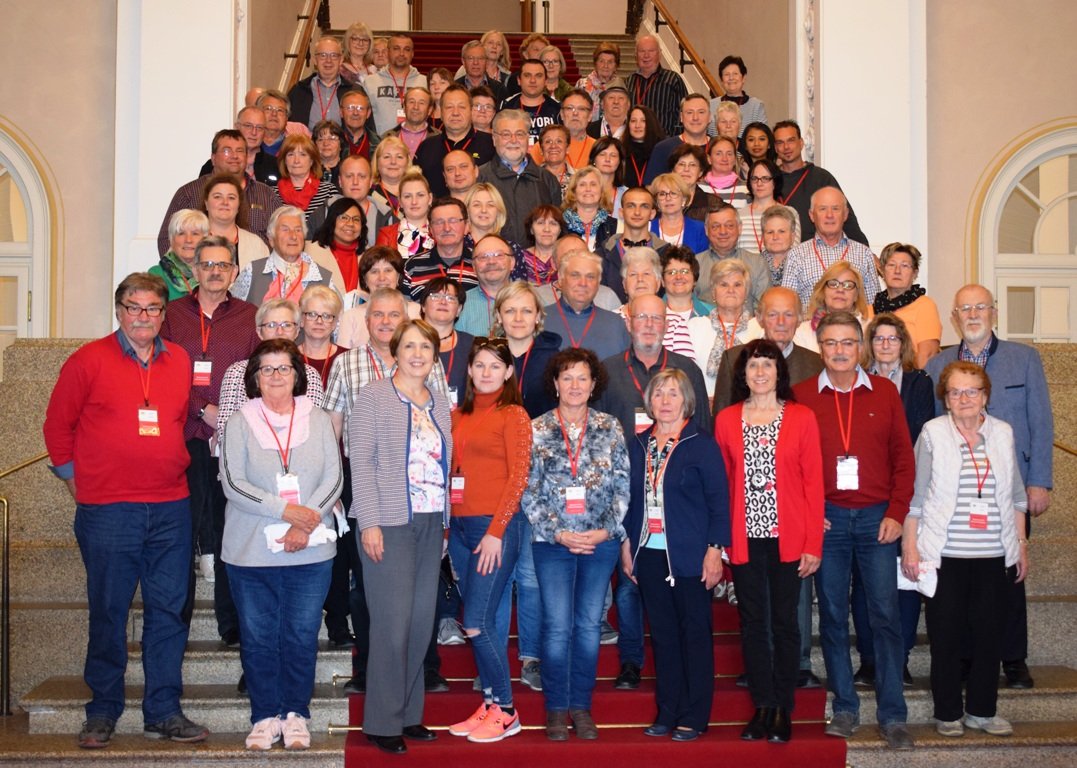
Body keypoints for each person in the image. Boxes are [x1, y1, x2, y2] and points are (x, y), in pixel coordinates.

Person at [43, 272, 208, 750]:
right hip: (108, 510)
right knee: (110, 612)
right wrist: (77, 483)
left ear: (163, 315)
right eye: (134, 308)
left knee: (169, 614)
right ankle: (102, 711)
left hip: (171, 507)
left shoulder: (178, 361)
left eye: (153, 309)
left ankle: (163, 710)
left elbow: (179, 419)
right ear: (119, 311)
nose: (144, 317)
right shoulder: (87, 360)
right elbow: (57, 426)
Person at [794, 311, 916, 750]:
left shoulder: (884, 392)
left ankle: (893, 713)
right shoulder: (802, 396)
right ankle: (844, 707)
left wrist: (897, 513)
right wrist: (809, 513)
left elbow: (904, 459)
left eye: (848, 342)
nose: (840, 351)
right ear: (820, 346)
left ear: (860, 347)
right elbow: (791, 466)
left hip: (877, 519)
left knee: (884, 616)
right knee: (830, 616)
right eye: (831, 343)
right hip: (827, 521)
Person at [925, 283, 1052, 689]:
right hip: (955, 494)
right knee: (959, 585)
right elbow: (929, 431)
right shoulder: (937, 364)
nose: (973, 314)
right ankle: (964, 658)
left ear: (993, 313)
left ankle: (1013, 659)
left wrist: (1039, 481)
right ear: (954, 317)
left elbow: (1041, 422)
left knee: (1010, 577)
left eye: (981, 307)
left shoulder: (1025, 359)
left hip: (1007, 493)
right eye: (965, 308)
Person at [219, 338, 342, 750]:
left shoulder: (320, 419)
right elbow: (234, 483)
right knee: (258, 635)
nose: (275, 376)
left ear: (297, 374)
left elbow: (334, 478)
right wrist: (287, 513)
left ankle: (296, 714)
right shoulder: (238, 421)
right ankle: (264, 715)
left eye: (284, 368)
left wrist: (306, 522)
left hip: (311, 548)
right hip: (250, 552)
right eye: (267, 369)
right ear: (254, 377)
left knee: (302, 634)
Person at [901, 361, 1029, 738]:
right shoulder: (932, 433)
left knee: (989, 636)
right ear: (946, 398)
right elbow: (915, 499)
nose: (964, 398)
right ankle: (947, 712)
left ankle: (982, 711)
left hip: (994, 555)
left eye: (971, 391)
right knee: (946, 636)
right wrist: (911, 548)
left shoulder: (1003, 434)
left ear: (985, 395)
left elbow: (1018, 498)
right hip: (945, 555)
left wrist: (1021, 546)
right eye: (955, 392)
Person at [350, 319, 453, 755]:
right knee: (391, 627)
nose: (417, 354)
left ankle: (410, 715)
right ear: (395, 351)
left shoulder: (438, 399)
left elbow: (445, 467)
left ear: (435, 354)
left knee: (418, 624)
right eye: (408, 346)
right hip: (387, 522)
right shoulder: (374, 396)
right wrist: (369, 522)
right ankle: (381, 721)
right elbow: (363, 463)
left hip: (430, 523)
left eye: (425, 347)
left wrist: (445, 523)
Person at [714, 339, 823, 743]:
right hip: (746, 538)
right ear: (742, 375)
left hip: (788, 538)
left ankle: (783, 707)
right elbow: (723, 484)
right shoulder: (726, 420)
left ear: (780, 372)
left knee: (786, 623)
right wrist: (720, 539)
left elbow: (814, 483)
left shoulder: (801, 417)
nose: (760, 372)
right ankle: (762, 705)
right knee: (753, 623)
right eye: (753, 366)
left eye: (768, 365)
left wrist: (814, 543)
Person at [521, 348, 630, 741]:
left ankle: (581, 706)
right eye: (567, 377)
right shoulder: (535, 429)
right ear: (554, 383)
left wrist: (605, 531)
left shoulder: (611, 427)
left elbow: (622, 488)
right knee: (556, 627)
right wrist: (559, 533)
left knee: (587, 626)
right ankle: (555, 709)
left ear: (594, 383)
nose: (575, 385)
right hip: (551, 544)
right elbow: (528, 491)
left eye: (583, 378)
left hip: (599, 543)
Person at [159, 236, 260, 647]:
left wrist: (229, 416)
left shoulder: (249, 315)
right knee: (180, 530)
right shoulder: (171, 315)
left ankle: (231, 623)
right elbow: (160, 371)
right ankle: (174, 622)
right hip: (182, 433)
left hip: (232, 439)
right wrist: (202, 408)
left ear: (234, 272)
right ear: (194, 270)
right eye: (207, 265)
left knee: (228, 531)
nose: (215, 272)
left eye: (223, 265)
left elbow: (257, 373)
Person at [622, 368, 728, 741]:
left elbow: (719, 503)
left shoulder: (701, 443)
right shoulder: (637, 445)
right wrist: (626, 546)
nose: (665, 401)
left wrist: (715, 550)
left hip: (691, 556)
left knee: (695, 636)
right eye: (659, 394)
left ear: (687, 401)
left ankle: (695, 716)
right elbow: (630, 503)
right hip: (648, 554)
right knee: (663, 638)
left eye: (673, 394)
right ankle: (667, 711)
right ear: (649, 402)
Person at [446, 338, 533, 743]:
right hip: (461, 530)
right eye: (479, 365)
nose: (485, 372)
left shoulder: (513, 414)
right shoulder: (456, 415)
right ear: (468, 369)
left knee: (476, 624)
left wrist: (497, 531)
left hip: (493, 529)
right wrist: (448, 532)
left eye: (494, 366)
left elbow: (519, 478)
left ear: (508, 372)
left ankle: (509, 710)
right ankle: (490, 703)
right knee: (482, 623)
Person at [850, 312, 934, 687]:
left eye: (892, 338)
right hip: (863, 495)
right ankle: (869, 660)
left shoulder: (919, 383)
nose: (885, 345)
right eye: (879, 338)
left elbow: (924, 439)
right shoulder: (855, 382)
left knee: (904, 580)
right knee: (865, 582)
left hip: (909, 492)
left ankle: (897, 659)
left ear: (904, 344)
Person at [157, 129, 280, 255]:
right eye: (227, 150)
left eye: (240, 151)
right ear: (213, 158)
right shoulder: (189, 193)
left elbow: (281, 238)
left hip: (255, 270)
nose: (234, 156)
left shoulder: (266, 195)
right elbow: (166, 239)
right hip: (201, 271)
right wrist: (188, 272)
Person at [782, 186, 880, 311]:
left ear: (845, 215)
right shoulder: (796, 255)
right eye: (822, 209)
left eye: (835, 209)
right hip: (810, 328)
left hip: (853, 327)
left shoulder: (864, 253)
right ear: (811, 215)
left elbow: (872, 306)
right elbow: (788, 306)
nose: (829, 215)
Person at [773, 120, 868, 245]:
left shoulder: (821, 177)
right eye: (780, 142)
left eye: (791, 140)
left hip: (813, 253)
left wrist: (865, 250)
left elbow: (845, 216)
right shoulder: (769, 179)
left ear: (801, 143)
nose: (786, 147)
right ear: (775, 148)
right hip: (776, 249)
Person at [478, 109, 562, 245]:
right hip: (495, 259)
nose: (513, 140)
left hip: (537, 261)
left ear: (528, 138)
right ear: (494, 139)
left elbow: (557, 227)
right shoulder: (480, 177)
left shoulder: (547, 180)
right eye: (506, 134)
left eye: (520, 134)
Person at [232, 206, 344, 306]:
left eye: (298, 230)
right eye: (285, 229)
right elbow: (232, 314)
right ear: (271, 239)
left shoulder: (321, 277)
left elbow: (337, 322)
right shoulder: (252, 272)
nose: (293, 236)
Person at [543, 250, 630, 361]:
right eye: (575, 275)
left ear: (598, 282)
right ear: (560, 278)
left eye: (590, 277)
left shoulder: (616, 324)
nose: (583, 283)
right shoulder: (540, 319)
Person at [492, 281, 562, 418]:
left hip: (540, 437)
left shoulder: (555, 360)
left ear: (537, 316)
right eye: (510, 311)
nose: (518, 318)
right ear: (499, 316)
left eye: (527, 311)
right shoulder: (485, 357)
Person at [414, 84, 496, 198]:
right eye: (449, 107)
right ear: (441, 113)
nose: (455, 113)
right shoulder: (426, 147)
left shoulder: (491, 144)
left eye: (462, 107)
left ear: (471, 110)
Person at [688, 258, 755, 397]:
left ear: (746, 291)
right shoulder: (694, 327)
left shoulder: (759, 330)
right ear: (713, 292)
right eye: (723, 284)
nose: (731, 290)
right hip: (703, 407)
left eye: (737, 285)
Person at [873, 242, 942, 368]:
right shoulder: (871, 309)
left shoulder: (924, 305)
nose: (897, 271)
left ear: (914, 273)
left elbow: (927, 356)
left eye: (904, 266)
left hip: (911, 379)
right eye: (891, 265)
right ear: (882, 270)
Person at [336, 246, 421, 347]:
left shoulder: (414, 311)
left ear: (398, 276)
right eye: (374, 271)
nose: (382, 278)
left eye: (388, 270)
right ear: (364, 279)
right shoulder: (351, 317)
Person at [595, 188, 665, 301]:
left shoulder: (667, 254)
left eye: (644, 206)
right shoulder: (600, 256)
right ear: (621, 213)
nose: (637, 212)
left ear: (652, 214)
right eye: (631, 206)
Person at [403, 197, 478, 298]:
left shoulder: (479, 264)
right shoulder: (413, 266)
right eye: (439, 222)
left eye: (453, 221)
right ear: (431, 230)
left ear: (466, 226)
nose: (446, 228)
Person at [797, 262, 873, 352]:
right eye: (833, 284)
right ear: (823, 291)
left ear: (856, 295)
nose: (840, 290)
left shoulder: (871, 330)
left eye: (848, 285)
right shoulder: (803, 331)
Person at [200, 173, 270, 270]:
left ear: (239, 205)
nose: (225, 202)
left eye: (231, 198)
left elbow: (264, 283)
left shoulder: (256, 245)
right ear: (206, 203)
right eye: (217, 197)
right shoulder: (190, 242)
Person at [420, 277, 472, 402]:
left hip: (460, 418)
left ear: (459, 310)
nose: (443, 302)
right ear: (423, 306)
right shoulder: (406, 343)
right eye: (435, 296)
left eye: (451, 298)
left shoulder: (471, 345)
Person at [365, 34, 428, 136]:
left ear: (412, 53)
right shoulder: (370, 82)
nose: (401, 53)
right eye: (396, 49)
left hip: (418, 146)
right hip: (382, 145)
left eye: (407, 49)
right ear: (388, 52)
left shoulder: (424, 82)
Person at [626, 33, 688, 136]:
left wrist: (673, 140)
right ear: (636, 55)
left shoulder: (673, 80)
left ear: (659, 54)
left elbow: (684, 112)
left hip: (664, 145)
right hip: (634, 144)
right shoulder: (629, 82)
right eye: (642, 51)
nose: (646, 55)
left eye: (651, 51)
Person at [646, 94, 713, 187]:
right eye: (689, 112)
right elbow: (651, 187)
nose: (695, 118)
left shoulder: (719, 148)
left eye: (701, 112)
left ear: (709, 116)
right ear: (681, 117)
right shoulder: (663, 148)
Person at [306, 197, 366, 299]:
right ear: (332, 221)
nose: (350, 224)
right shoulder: (310, 252)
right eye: (344, 218)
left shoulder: (369, 256)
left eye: (356, 219)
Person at [457, 235, 516, 336]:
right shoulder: (460, 305)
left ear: (512, 263)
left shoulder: (533, 300)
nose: (491, 262)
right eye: (483, 257)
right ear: (474, 267)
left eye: (498, 255)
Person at [287, 37, 351, 130]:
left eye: (333, 55)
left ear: (341, 60)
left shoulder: (353, 91)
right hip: (307, 143)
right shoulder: (298, 91)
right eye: (323, 55)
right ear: (314, 60)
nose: (328, 60)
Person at [740, 158, 800, 252]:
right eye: (754, 178)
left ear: (775, 182)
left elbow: (795, 251)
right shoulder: (739, 215)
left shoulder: (790, 213)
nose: (759, 183)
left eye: (765, 178)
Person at [374, 170, 435, 260]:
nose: (414, 202)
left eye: (420, 195)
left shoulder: (441, 232)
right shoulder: (386, 235)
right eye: (407, 196)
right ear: (400, 201)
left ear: (430, 199)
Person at [276, 133, 340, 215]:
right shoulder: (272, 194)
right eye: (291, 155)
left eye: (302, 155)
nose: (296, 161)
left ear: (311, 160)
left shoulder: (329, 192)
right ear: (284, 160)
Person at [151, 209, 209, 300]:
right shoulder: (156, 275)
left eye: (195, 234)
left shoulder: (213, 272)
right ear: (171, 239)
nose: (188, 240)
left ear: (205, 240)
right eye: (181, 233)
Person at [499, 60, 560, 143]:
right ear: (519, 80)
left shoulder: (557, 108)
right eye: (527, 75)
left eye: (538, 76)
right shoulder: (506, 106)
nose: (533, 80)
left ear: (545, 80)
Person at [649, 173, 708, 253]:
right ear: (657, 201)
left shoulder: (700, 229)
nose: (668, 198)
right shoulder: (648, 228)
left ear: (684, 199)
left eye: (673, 193)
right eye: (662, 194)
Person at [561, 166, 617, 252]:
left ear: (601, 191)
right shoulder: (560, 225)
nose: (588, 189)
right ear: (574, 192)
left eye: (593, 184)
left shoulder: (615, 226)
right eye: (582, 184)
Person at [710, 55, 768, 136]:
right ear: (721, 80)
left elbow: (762, 137)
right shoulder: (711, 105)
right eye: (727, 74)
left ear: (743, 78)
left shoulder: (756, 106)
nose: (731, 78)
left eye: (735, 74)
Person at [668, 143, 718, 222]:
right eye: (681, 164)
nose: (686, 169)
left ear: (700, 172)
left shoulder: (714, 205)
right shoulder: (659, 201)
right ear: (672, 171)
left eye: (692, 165)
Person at [613, 246, 663, 324]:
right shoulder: (611, 320)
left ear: (658, 283)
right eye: (633, 274)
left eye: (646, 273)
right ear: (624, 284)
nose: (640, 279)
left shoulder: (674, 322)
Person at [370, 135, 413, 221]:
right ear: (377, 162)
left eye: (399, 157)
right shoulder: (368, 195)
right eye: (387, 157)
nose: (393, 162)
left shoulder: (417, 192)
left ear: (407, 163)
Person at [699, 136, 749, 207]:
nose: (724, 159)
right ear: (709, 159)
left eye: (729, 154)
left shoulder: (747, 189)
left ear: (735, 159)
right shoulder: (698, 189)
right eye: (718, 154)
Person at [521, 204, 565, 285]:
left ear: (559, 230)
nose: (547, 229)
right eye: (540, 223)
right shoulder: (520, 259)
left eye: (553, 223)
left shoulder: (566, 258)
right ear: (531, 229)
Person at [623, 105, 666, 188]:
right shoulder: (621, 151)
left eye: (643, 121)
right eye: (633, 121)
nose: (637, 125)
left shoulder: (662, 151)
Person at [578, 42, 621, 121]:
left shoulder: (621, 87)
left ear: (616, 66)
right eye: (601, 61)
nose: (605, 66)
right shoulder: (582, 85)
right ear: (595, 63)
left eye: (610, 62)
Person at [758, 204, 799, 287]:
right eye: (770, 232)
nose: (775, 237)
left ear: (793, 236)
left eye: (781, 231)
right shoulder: (753, 264)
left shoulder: (802, 262)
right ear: (763, 237)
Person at [589, 137, 627, 216]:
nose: (607, 159)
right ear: (593, 159)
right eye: (602, 154)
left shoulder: (626, 194)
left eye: (613, 155)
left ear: (620, 161)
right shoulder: (582, 189)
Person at [339, 89, 377, 160]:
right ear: (341, 112)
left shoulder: (378, 144)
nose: (355, 113)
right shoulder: (331, 143)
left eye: (360, 108)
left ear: (368, 113)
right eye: (350, 108)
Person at [313, 120, 346, 186]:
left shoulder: (348, 169)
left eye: (331, 138)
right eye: (321, 139)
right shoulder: (308, 171)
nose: (326, 143)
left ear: (341, 144)